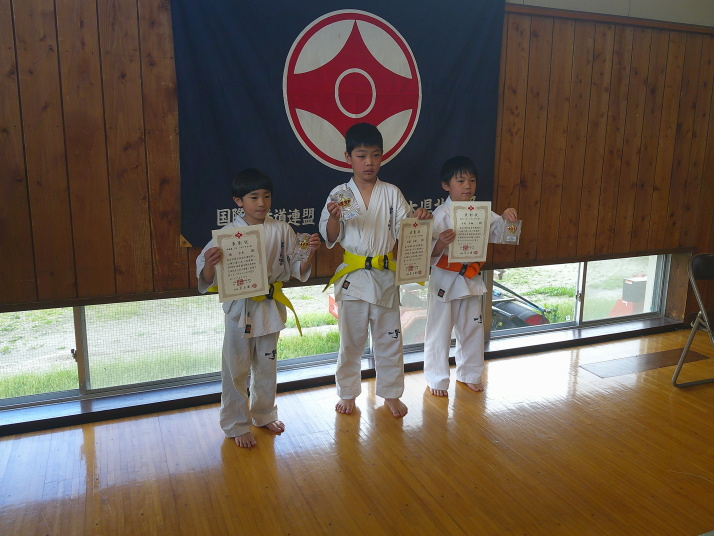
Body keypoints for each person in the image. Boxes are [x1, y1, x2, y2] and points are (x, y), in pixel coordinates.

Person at [197, 168, 321, 447]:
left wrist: (309, 253)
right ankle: (236, 423)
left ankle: (264, 414)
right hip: (239, 309)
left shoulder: (282, 229)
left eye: (266, 196)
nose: (262, 203)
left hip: (269, 307)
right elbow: (206, 277)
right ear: (238, 201)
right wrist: (209, 265)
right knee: (236, 369)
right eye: (254, 197)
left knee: (267, 366)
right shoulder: (227, 234)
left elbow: (297, 268)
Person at [319, 123, 431, 418]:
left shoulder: (391, 193)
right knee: (351, 343)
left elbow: (407, 230)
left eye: (375, 155)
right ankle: (347, 393)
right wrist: (334, 217)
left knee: (390, 339)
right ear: (348, 157)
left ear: (382, 156)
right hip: (353, 278)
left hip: (384, 277)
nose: (369, 162)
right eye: (361, 156)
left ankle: (391, 394)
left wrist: (419, 220)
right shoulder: (340, 194)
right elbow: (331, 237)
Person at [423, 156, 517, 397]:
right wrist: (439, 243)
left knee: (472, 329)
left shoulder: (480, 212)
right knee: (439, 332)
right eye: (461, 180)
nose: (467, 186)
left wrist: (507, 220)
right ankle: (436, 378)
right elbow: (424, 252)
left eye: (472, 181)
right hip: (444, 279)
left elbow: (502, 234)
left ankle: (470, 374)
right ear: (446, 185)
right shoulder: (440, 214)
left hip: (470, 278)